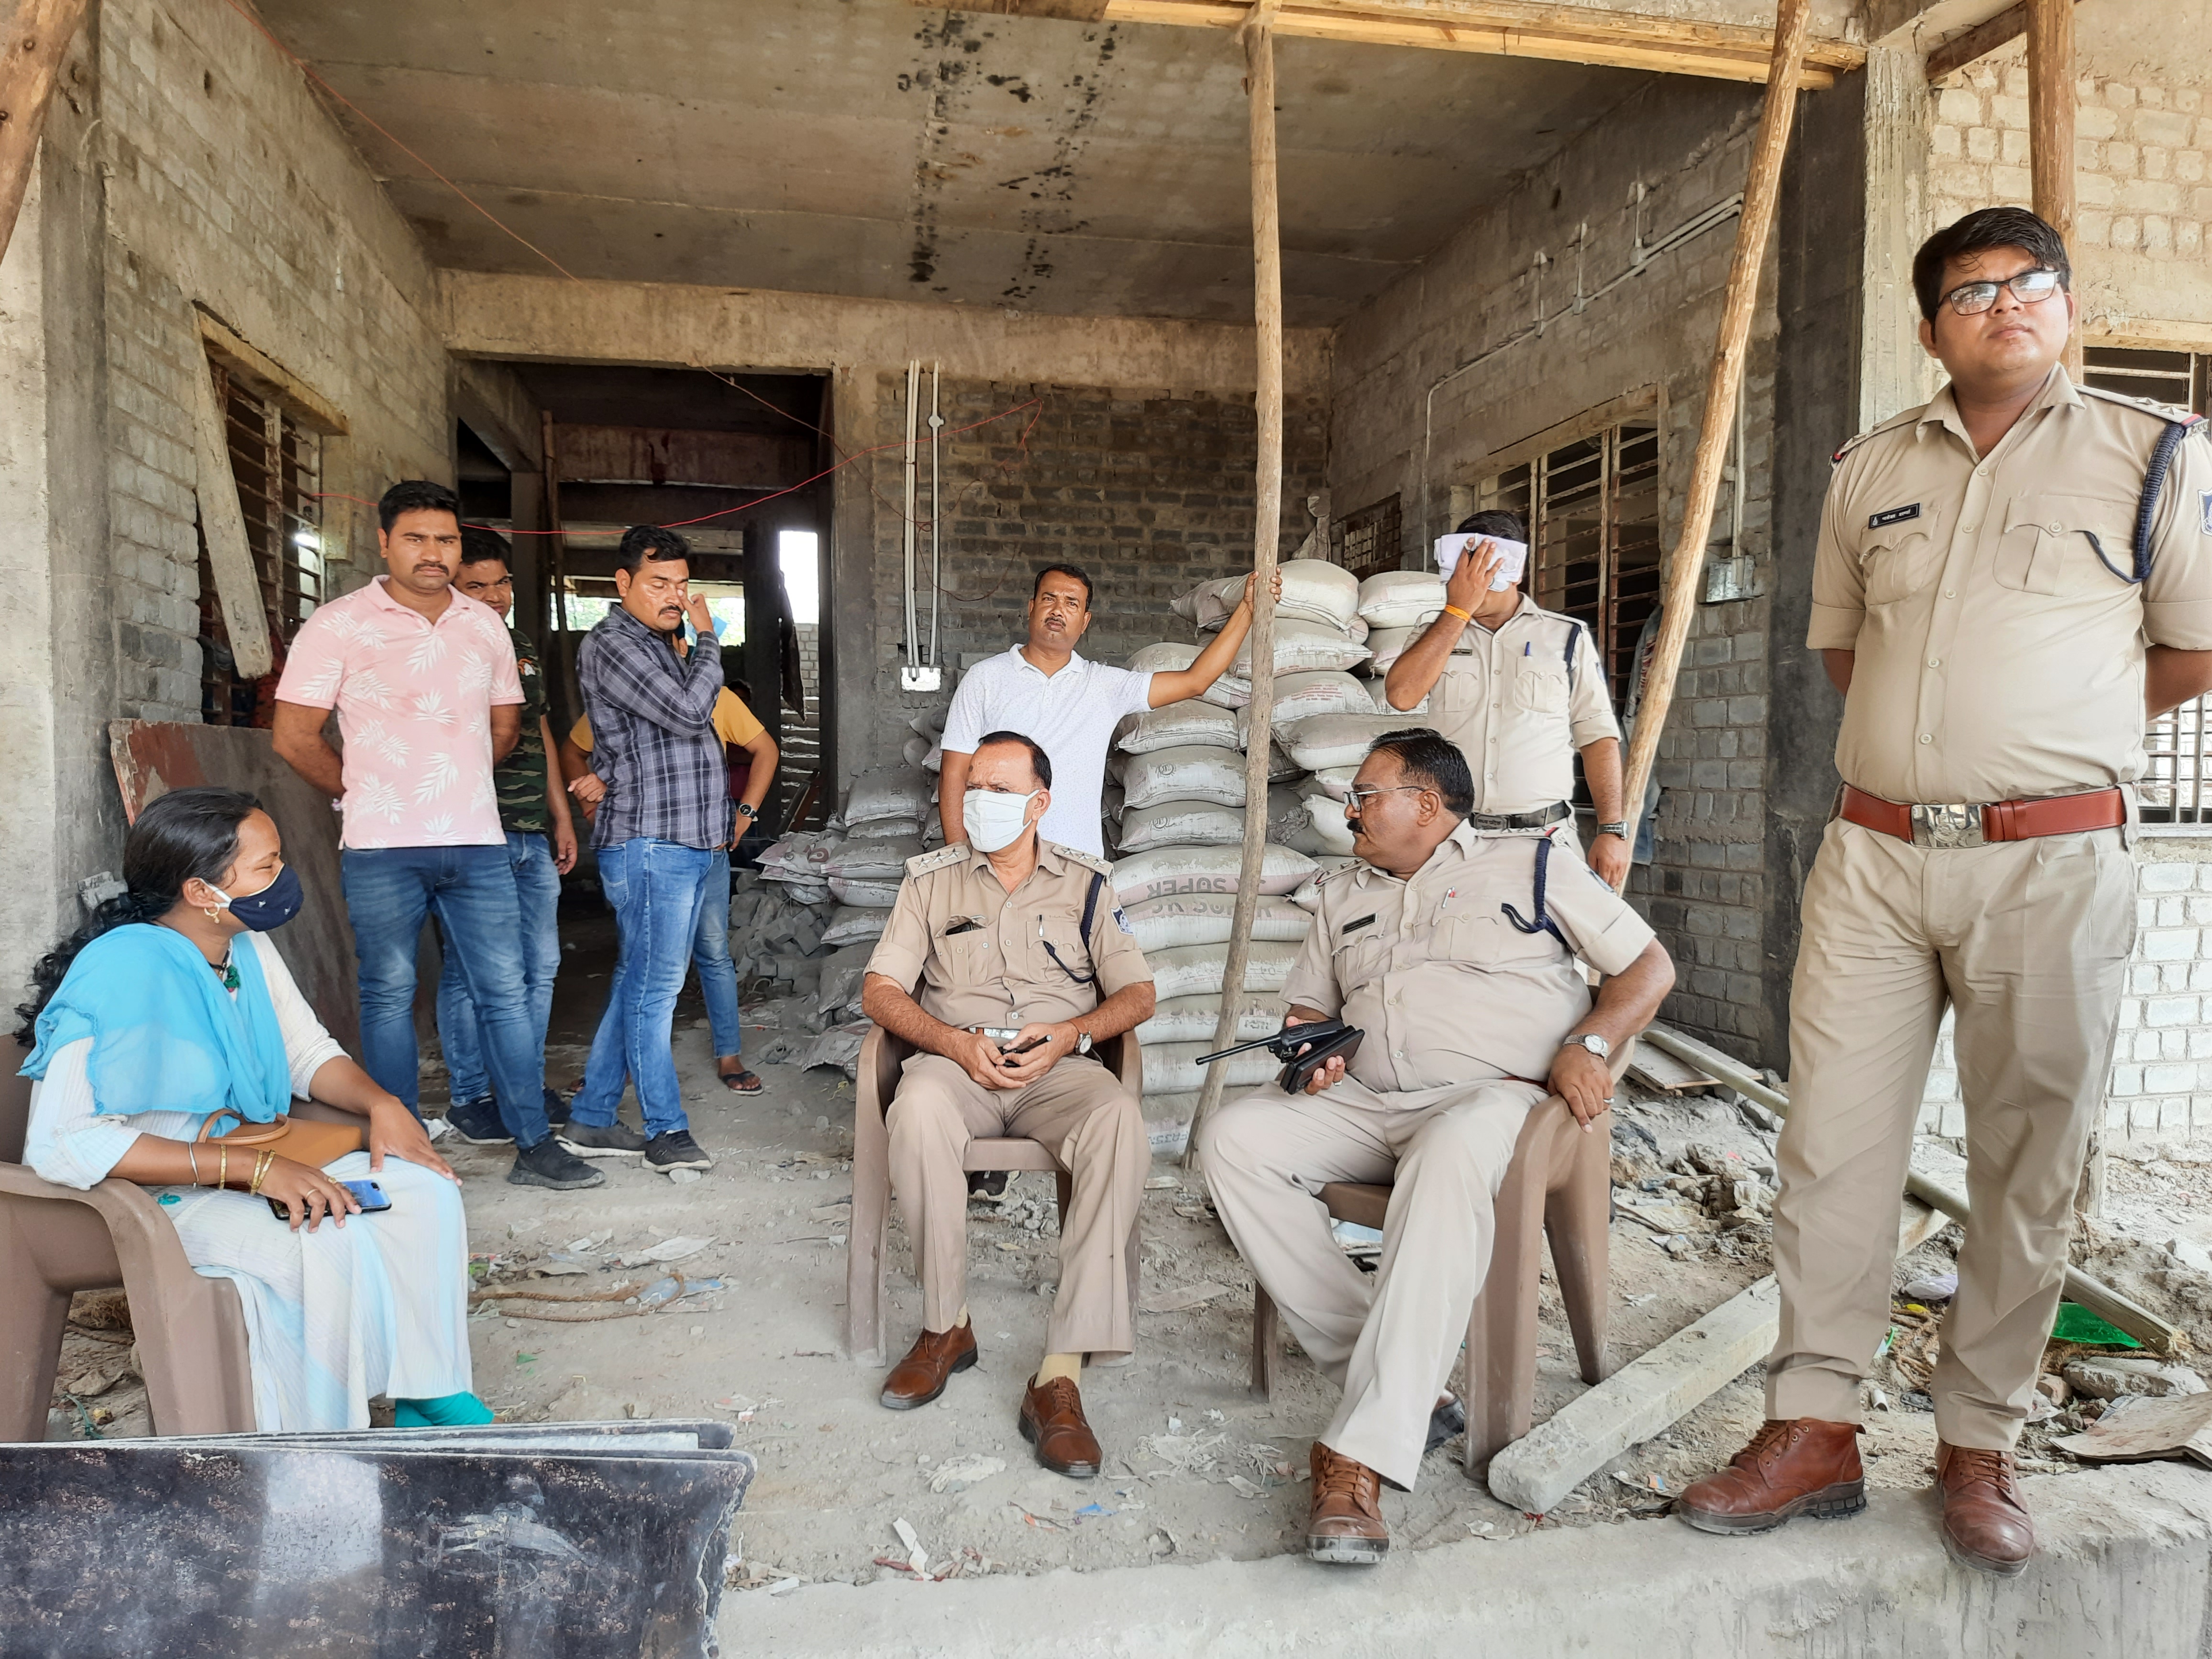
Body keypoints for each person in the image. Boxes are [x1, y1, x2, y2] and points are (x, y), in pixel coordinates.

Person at [1676, 207, 2212, 1577]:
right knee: (1832, 1153)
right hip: (1872, 855)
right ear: (1930, 328)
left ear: (2067, 304)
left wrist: (2039, 745)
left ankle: (1979, 1443)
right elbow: (1850, 656)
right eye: (1970, 291)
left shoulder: (2156, 455)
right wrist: (1935, 770)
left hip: (2052, 862)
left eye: (2029, 282)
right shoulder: (1870, 470)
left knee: (2026, 1163)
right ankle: (1813, 1428)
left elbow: (2190, 652)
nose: (2003, 304)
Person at [1198, 729, 1673, 1564]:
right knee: (1232, 1138)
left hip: (1493, 1102)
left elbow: (1645, 966)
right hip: (1366, 1100)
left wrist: (1590, 1044)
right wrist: (1310, 1050)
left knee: (1451, 1148)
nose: (1349, 810)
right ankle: (1395, 1376)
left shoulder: (1531, 863)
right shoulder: (1343, 893)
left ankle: (1359, 1454)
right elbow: (1308, 1011)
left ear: (1425, 802)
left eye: (1364, 794)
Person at [16, 787, 487, 1432]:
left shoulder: (243, 948)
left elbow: (307, 1053)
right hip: (146, 1195)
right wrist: (255, 1173)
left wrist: (383, 1105)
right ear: (201, 892)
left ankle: (429, 1391)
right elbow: (63, 1144)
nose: (283, 878)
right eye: (267, 867)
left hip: (233, 1163)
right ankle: (314, 1445)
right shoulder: (121, 972)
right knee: (320, 1239)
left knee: (423, 1190)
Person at [271, 480, 601, 1192]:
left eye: (445, 540)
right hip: (382, 845)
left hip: (478, 842)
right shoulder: (339, 624)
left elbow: (508, 725)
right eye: (416, 539)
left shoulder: (484, 627)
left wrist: (455, 781)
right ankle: (405, 1146)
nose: (433, 554)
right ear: (384, 543)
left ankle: (534, 1143)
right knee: (389, 991)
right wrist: (362, 791)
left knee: (505, 991)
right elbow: (294, 736)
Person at [860, 730, 1156, 1477]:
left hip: (1054, 1069)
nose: (979, 803)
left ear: (1039, 803)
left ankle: (1060, 1374)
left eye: (998, 790)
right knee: (917, 1107)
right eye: (972, 789)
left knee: (1118, 1117)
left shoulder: (1086, 885)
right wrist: (953, 1045)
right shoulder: (930, 882)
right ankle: (946, 1327)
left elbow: (1139, 993)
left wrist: (1071, 1035)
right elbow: (880, 990)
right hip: (960, 1064)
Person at [560, 525, 730, 1172]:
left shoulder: (662, 644)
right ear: (622, 583)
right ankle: (666, 1132)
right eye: (660, 583)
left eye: (684, 585)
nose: (676, 596)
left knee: (640, 982)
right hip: (650, 841)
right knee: (657, 991)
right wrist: (710, 638)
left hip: (681, 839)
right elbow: (690, 714)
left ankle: (593, 1117)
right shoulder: (613, 645)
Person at [938, 563, 1278, 857]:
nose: (1058, 610)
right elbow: (954, 772)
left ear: (1085, 621)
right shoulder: (985, 678)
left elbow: (1196, 681)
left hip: (1076, 865)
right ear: (1031, 607)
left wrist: (1248, 608)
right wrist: (958, 858)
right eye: (1049, 598)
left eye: (1072, 603)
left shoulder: (1104, 686)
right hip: (996, 860)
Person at [1382, 510, 1630, 887]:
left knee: (1546, 944)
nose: (1473, 583)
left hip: (1543, 839)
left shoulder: (1566, 637)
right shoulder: (1434, 633)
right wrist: (1457, 610)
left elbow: (1597, 737)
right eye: (1465, 570)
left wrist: (1612, 828)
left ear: (1514, 570)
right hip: (1453, 839)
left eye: (1485, 571)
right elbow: (1401, 695)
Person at [563, 670, 778, 1095]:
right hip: (644, 853)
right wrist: (590, 808)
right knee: (637, 960)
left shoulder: (716, 699)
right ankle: (614, 1065)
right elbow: (572, 751)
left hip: (707, 850)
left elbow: (766, 750)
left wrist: (745, 815)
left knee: (713, 952)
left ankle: (729, 1054)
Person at [434, 528, 580, 1141]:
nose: (495, 598)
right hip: (471, 832)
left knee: (539, 965)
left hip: (526, 832)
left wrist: (561, 816)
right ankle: (470, 1096)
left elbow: (542, 732)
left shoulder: (519, 645)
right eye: (478, 586)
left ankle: (518, 1081)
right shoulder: (437, 648)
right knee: (471, 972)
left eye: (503, 584)